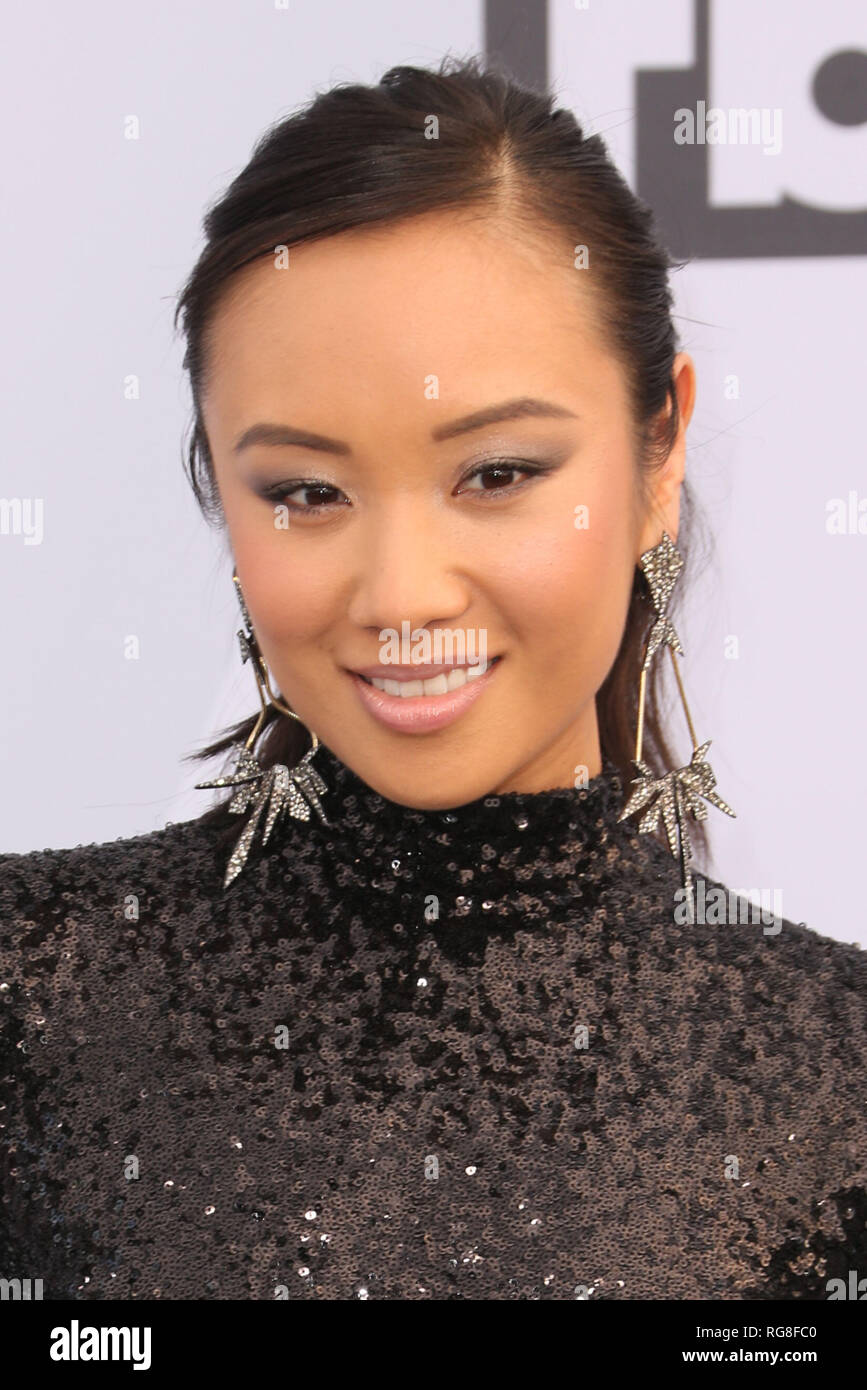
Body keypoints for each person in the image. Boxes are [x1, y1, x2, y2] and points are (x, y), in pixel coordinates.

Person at [1, 55, 865, 1301]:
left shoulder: (837, 1077)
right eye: (306, 491)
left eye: (498, 474)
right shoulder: (35, 997)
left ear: (658, 449)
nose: (402, 592)